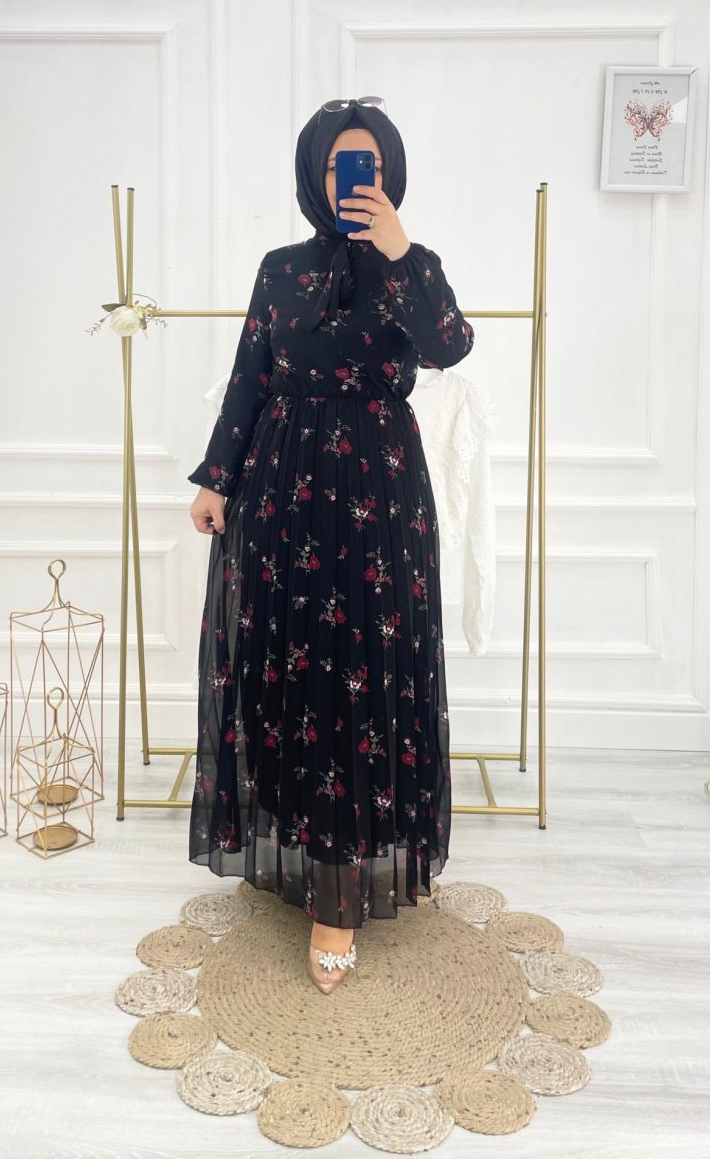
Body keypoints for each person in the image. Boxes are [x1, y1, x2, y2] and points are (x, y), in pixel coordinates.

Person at [186, 97, 475, 993]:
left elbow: (449, 348)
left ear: (390, 174)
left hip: (380, 497)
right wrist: (216, 477)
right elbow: (250, 378)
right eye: (341, 167)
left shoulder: (413, 266)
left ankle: (340, 896)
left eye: (371, 166)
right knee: (294, 669)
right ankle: (307, 851)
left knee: (366, 675)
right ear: (315, 177)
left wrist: (397, 249)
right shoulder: (280, 269)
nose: (357, 180)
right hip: (283, 492)